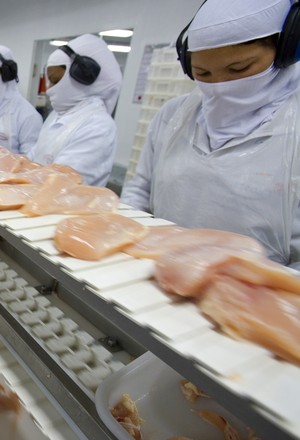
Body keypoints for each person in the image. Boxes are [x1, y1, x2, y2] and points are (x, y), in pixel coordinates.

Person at [121, 0, 300, 268]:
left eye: (239, 69)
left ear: (286, 49)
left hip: (251, 298)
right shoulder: (173, 116)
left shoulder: (293, 130)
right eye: (202, 73)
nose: (219, 86)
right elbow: (139, 190)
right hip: (157, 278)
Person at [28, 34, 123, 186]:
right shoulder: (57, 115)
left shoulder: (98, 125)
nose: (49, 89)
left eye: (56, 80)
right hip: (35, 201)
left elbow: (63, 183)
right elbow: (35, 155)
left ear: (84, 75)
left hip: (61, 206)